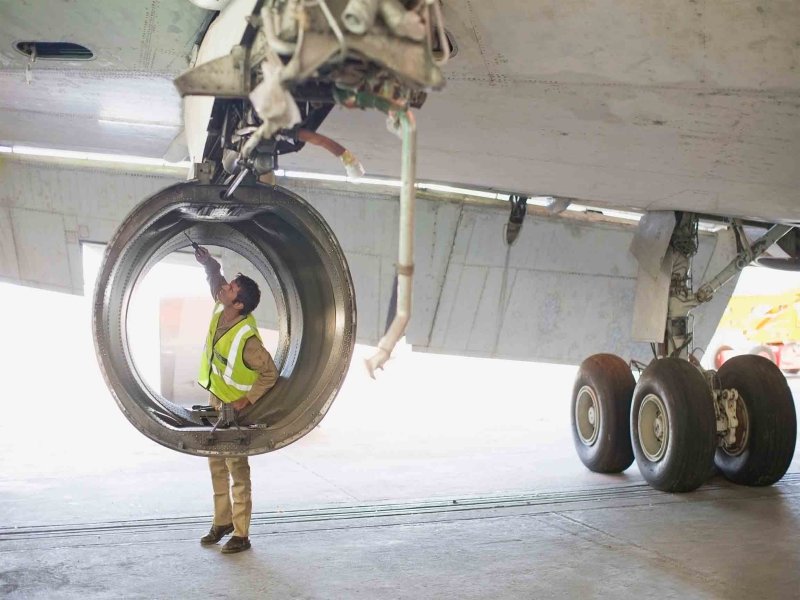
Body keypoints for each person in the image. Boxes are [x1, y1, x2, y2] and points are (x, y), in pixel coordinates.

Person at [194, 245, 279, 554]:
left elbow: (270, 373)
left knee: (237, 469)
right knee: (216, 463)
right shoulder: (222, 306)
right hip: (216, 400)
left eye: (230, 289)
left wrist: (247, 401)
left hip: (234, 409)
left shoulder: (248, 339)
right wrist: (209, 263)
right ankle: (222, 522)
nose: (224, 289)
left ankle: (241, 533)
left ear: (239, 303)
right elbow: (216, 280)